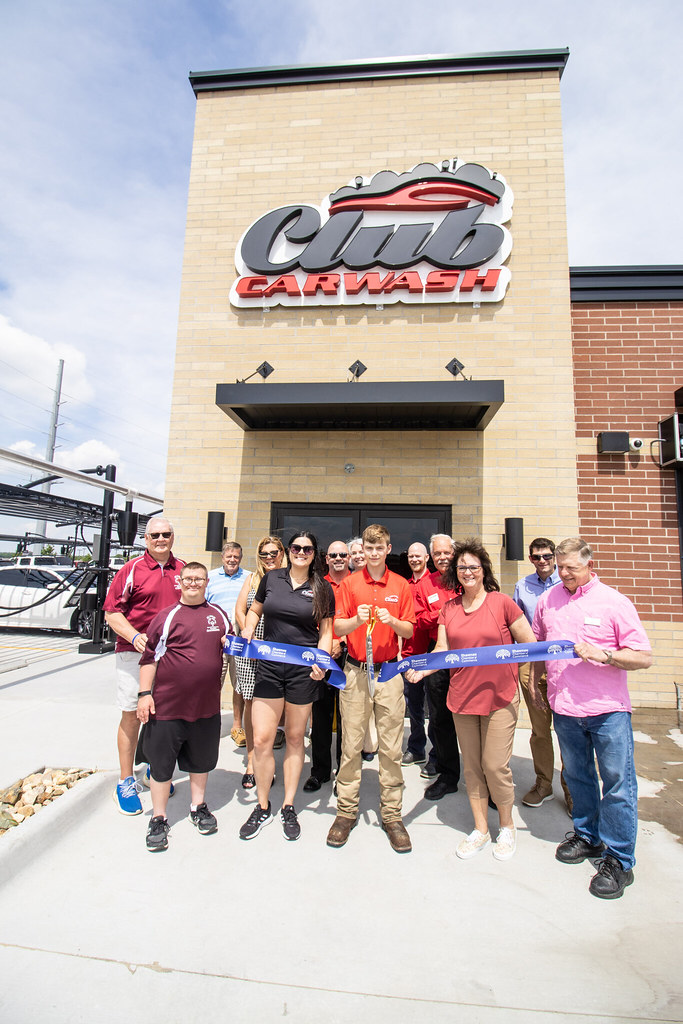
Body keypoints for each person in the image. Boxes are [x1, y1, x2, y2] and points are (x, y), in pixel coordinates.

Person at [531, 537, 652, 899]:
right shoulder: (546, 600)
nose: (564, 573)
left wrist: (605, 654)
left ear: (588, 565)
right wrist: (538, 684)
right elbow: (539, 644)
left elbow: (643, 656)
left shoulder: (614, 602)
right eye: (560, 566)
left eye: (571, 567)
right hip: (565, 708)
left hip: (607, 710)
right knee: (578, 777)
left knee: (617, 785)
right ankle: (588, 836)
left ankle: (619, 860)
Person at [408, 538, 535, 862]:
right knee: (475, 769)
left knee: (495, 766)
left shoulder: (502, 603)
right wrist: (422, 671)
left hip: (499, 698)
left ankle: (506, 826)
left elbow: (529, 644)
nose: (467, 571)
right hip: (462, 699)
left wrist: (509, 673)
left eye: (473, 566)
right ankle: (481, 828)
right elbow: (441, 650)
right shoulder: (448, 609)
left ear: (483, 569)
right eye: (462, 567)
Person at [239, 531, 334, 841]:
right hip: (268, 667)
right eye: (296, 547)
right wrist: (248, 630)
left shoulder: (322, 587)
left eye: (307, 548)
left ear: (313, 553)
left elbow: (326, 631)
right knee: (264, 739)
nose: (301, 552)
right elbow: (255, 610)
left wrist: (321, 661)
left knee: (294, 738)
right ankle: (263, 805)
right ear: (288, 550)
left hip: (302, 673)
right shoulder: (272, 579)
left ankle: (289, 805)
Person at [328, 524, 415, 853]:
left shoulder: (400, 585)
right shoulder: (350, 583)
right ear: (362, 550)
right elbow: (338, 625)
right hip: (355, 671)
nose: (374, 553)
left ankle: (392, 815)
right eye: (369, 547)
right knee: (350, 744)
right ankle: (346, 812)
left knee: (391, 747)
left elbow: (408, 631)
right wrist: (357, 621)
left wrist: (391, 621)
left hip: (389, 673)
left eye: (380, 548)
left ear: (388, 549)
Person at [136, 562, 231, 851]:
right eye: (188, 579)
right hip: (167, 707)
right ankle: (159, 817)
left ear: (206, 582)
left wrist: (231, 643)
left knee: (201, 763)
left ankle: (198, 806)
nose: (193, 583)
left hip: (205, 708)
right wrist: (144, 694)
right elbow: (150, 658)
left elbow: (228, 647)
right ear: (180, 582)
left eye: (199, 579)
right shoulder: (167, 617)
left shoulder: (219, 616)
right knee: (162, 766)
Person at [104, 516, 185, 815]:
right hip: (133, 655)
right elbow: (112, 613)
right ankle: (125, 781)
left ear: (173, 537)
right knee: (132, 716)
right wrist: (135, 636)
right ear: (146, 539)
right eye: (155, 535)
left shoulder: (183, 569)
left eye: (166, 534)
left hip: (171, 658)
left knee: (162, 718)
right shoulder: (131, 570)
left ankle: (154, 770)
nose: (161, 539)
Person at [512, 537, 566, 808]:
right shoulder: (523, 586)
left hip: (565, 667)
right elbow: (514, 626)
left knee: (569, 729)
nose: (542, 561)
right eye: (536, 557)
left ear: (554, 557)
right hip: (532, 665)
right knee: (540, 729)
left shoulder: (567, 583)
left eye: (546, 556)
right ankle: (544, 783)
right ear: (530, 558)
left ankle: (572, 790)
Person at [233, 536, 286, 788]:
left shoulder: (289, 579)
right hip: (251, 652)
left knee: (272, 708)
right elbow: (240, 610)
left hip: (278, 652)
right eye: (264, 554)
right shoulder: (252, 579)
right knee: (251, 704)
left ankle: (268, 762)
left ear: (282, 553)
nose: (269, 558)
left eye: (273, 553)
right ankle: (252, 761)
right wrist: (249, 636)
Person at [411, 534, 462, 797]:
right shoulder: (424, 584)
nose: (443, 557)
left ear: (454, 553)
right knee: (440, 717)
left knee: (475, 716)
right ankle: (447, 774)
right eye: (438, 553)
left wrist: (442, 612)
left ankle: (486, 780)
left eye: (447, 553)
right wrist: (446, 611)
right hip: (438, 654)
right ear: (432, 556)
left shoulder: (466, 576)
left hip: (468, 654)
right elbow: (419, 619)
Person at [303, 540, 350, 792]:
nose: (339, 558)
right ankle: (320, 771)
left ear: (350, 556)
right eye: (334, 555)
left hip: (347, 656)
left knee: (346, 718)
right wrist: (327, 644)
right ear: (326, 558)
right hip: (321, 655)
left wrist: (339, 642)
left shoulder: (356, 583)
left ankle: (344, 772)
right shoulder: (317, 585)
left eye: (343, 554)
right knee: (320, 716)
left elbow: (361, 621)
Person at [206, 540, 248, 747]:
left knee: (239, 684)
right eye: (229, 556)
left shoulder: (248, 577)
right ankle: (208, 725)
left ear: (241, 558)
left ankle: (237, 726)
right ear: (222, 557)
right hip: (215, 640)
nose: (233, 560)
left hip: (239, 639)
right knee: (212, 683)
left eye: (236, 556)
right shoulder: (210, 578)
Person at [400, 542, 434, 769]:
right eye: (411, 556)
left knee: (436, 708)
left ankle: (438, 755)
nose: (414, 559)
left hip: (432, 656)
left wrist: (418, 618)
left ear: (427, 558)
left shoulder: (436, 583)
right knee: (414, 707)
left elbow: (441, 615)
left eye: (418, 556)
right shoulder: (404, 585)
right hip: (409, 656)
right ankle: (416, 748)